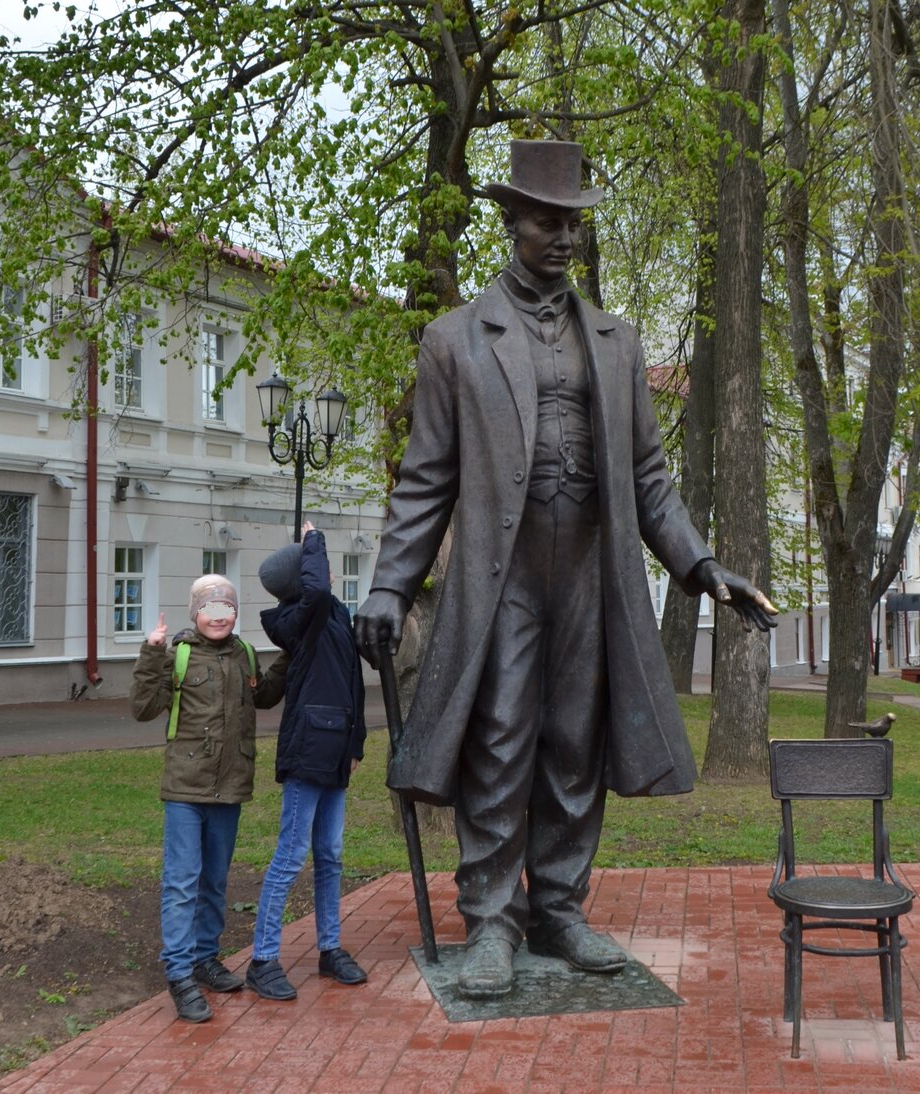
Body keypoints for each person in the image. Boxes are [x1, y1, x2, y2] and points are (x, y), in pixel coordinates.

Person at [355, 139, 779, 1000]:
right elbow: (426, 480)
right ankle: (489, 922)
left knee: (575, 744)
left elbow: (651, 483)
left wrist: (703, 568)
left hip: (590, 566)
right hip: (503, 574)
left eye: (572, 221)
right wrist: (390, 584)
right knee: (502, 738)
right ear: (511, 221)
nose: (560, 235)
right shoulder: (454, 341)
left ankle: (558, 904)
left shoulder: (619, 344)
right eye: (545, 218)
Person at [130, 574, 289, 1023]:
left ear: (234, 614)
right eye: (210, 608)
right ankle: (179, 974)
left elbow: (266, 697)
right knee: (182, 884)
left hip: (230, 787)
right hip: (185, 787)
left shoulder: (244, 654)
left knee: (215, 880)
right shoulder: (177, 655)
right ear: (195, 612)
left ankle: (204, 958)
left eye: (227, 608)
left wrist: (292, 653)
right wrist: (150, 652)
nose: (218, 616)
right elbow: (142, 708)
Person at [245, 522, 369, 1001]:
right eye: (318, 563)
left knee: (331, 854)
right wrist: (313, 537)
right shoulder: (299, 617)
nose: (328, 571)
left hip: (335, 749)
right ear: (302, 580)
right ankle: (263, 958)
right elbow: (316, 587)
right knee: (291, 855)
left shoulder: (333, 614)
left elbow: (351, 684)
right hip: (307, 751)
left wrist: (355, 743)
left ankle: (330, 948)